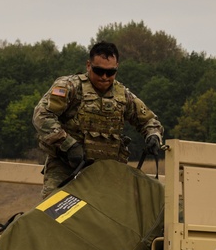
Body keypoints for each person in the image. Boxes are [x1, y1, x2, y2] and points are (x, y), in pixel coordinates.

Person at [33, 41, 165, 196]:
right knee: (53, 215)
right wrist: (68, 145)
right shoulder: (70, 87)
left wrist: (153, 136)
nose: (104, 77)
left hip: (105, 174)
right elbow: (42, 116)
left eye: (110, 73)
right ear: (88, 65)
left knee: (103, 219)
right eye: (99, 71)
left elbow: (149, 121)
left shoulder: (122, 95)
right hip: (67, 168)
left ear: (117, 68)